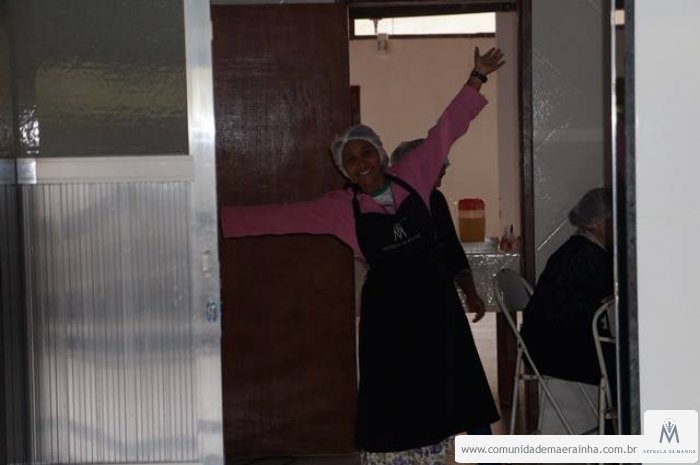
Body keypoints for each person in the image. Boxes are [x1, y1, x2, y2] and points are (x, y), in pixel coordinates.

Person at [221, 47, 504, 464]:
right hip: (388, 318)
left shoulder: (414, 176)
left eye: (366, 152)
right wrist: (211, 222)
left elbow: (446, 129)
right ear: (343, 170)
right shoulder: (339, 208)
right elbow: (279, 217)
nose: (361, 163)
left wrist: (476, 77)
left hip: (435, 307)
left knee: (450, 387)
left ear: (380, 153)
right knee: (397, 396)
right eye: (350, 160)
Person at [520, 187, 614, 386]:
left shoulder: (573, 249)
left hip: (538, 346)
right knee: (630, 359)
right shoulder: (590, 257)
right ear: (597, 223)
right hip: (558, 352)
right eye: (613, 220)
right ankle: (618, 406)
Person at [391, 139, 487, 323]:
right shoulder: (390, 206)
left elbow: (452, 249)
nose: (439, 185)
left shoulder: (435, 200)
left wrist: (471, 294)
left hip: (440, 294)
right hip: (403, 300)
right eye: (437, 176)